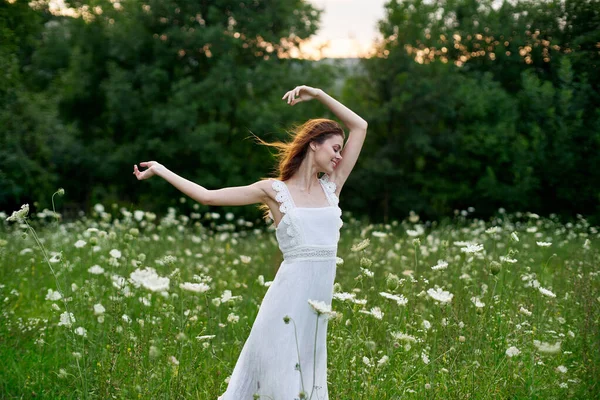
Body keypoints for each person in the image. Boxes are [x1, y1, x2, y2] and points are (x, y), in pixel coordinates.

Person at [133, 85, 368, 399]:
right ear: (314, 145)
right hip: (285, 302)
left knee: (307, 380)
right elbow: (207, 196)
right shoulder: (274, 190)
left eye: (342, 150)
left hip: (317, 308)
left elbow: (360, 126)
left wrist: (319, 94)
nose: (340, 156)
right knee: (281, 382)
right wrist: (162, 170)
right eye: (335, 148)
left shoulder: (332, 188)